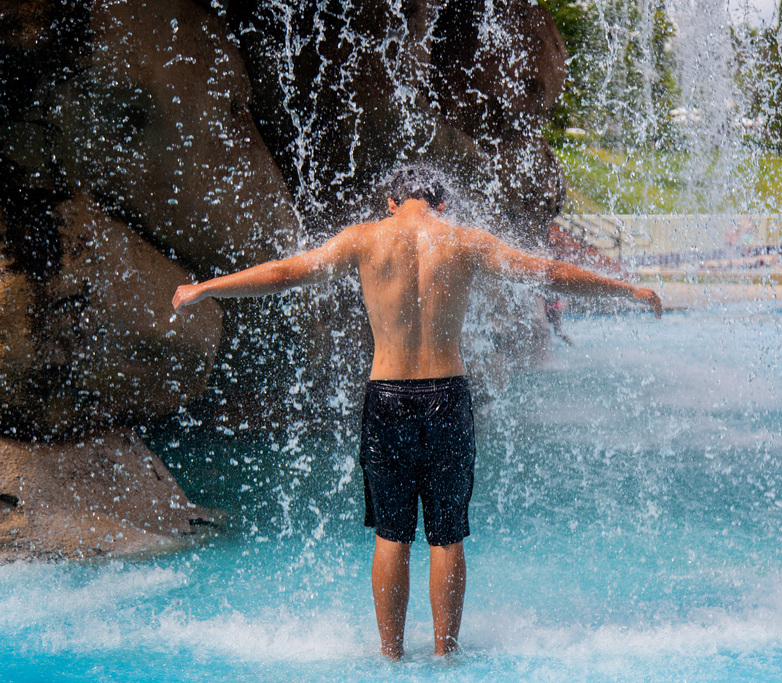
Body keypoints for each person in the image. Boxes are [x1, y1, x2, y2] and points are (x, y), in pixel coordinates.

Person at [171, 166, 662, 659]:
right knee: (446, 536)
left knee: (392, 535)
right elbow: (548, 273)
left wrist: (206, 287)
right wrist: (627, 290)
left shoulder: (363, 239)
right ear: (442, 204)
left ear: (391, 203)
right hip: (448, 394)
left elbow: (285, 273)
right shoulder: (466, 241)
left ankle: (391, 657)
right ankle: (446, 657)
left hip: (387, 395)